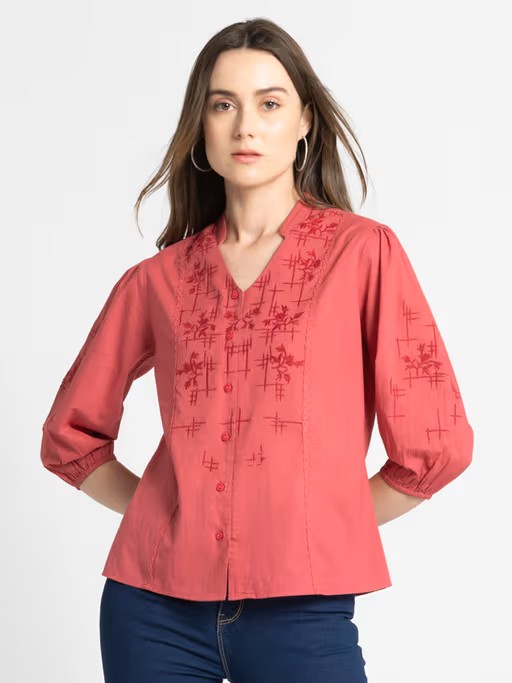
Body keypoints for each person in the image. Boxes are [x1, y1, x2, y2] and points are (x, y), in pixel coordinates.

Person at [40, 17, 474, 683]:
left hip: (303, 611)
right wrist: (174, 516)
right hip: (149, 612)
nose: (246, 126)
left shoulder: (362, 254)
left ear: (304, 121)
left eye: (269, 103)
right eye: (224, 105)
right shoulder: (157, 280)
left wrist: (320, 522)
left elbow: (436, 446)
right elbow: (70, 436)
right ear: (201, 127)